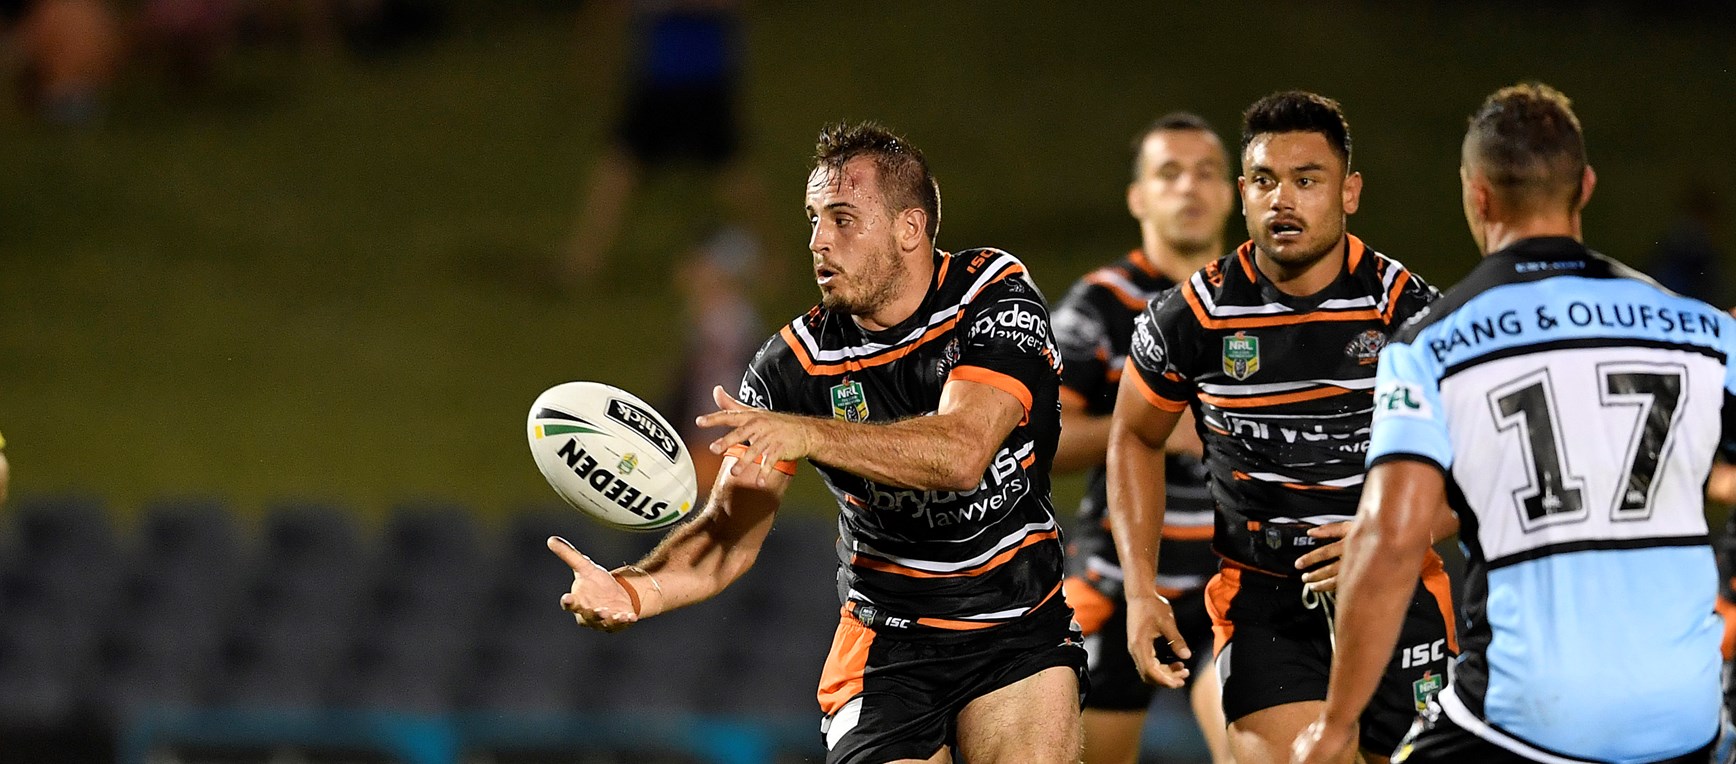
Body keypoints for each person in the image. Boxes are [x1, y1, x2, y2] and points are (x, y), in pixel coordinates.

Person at [548, 121, 1087, 764]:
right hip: (886, 645)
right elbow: (727, 536)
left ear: (909, 229)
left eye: (842, 218)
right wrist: (634, 589)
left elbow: (962, 452)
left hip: (1016, 625)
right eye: (812, 219)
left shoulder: (989, 296)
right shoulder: (791, 367)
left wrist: (810, 434)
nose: (817, 241)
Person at [1292, 83, 1727, 764]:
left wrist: (1337, 722)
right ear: (1584, 187)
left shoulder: (1430, 345)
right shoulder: (1704, 332)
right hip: (1685, 715)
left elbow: (1391, 537)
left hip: (1528, 717)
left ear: (1477, 195)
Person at [1105, 91, 1454, 764]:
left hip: (1396, 587)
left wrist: (1392, 533)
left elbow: (1479, 461)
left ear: (1349, 192)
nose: (1283, 200)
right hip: (1265, 602)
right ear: (1243, 192)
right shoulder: (1193, 316)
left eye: (1307, 180)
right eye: (1265, 181)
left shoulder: (1408, 312)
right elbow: (1134, 435)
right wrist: (1141, 590)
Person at [1052, 112, 1234, 764]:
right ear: (1139, 197)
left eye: (1206, 173)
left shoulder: (1265, 301)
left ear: (1232, 191)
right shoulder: (1098, 305)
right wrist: (1143, 431)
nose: (1189, 188)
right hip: (1118, 579)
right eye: (1169, 173)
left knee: (1259, 751)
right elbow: (1035, 441)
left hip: (1235, 581)